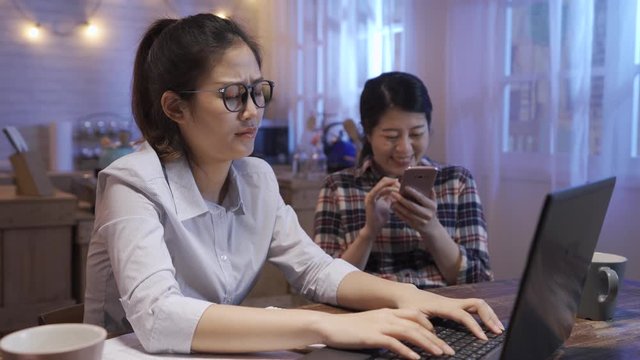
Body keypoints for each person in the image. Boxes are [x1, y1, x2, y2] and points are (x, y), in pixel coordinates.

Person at [83, 14, 503, 359]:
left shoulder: (255, 177)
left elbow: (315, 268)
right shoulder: (132, 183)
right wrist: (328, 324)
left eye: (258, 91)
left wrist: (406, 297)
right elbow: (159, 317)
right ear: (176, 106)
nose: (252, 112)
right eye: (232, 95)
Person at [314, 72, 493, 289]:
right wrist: (369, 233)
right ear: (368, 135)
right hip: (371, 313)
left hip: (444, 309)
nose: (405, 148)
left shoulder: (456, 182)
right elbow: (323, 284)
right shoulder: (338, 187)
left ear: (429, 128)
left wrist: (430, 227)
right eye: (391, 137)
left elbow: (480, 281)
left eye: (416, 134)